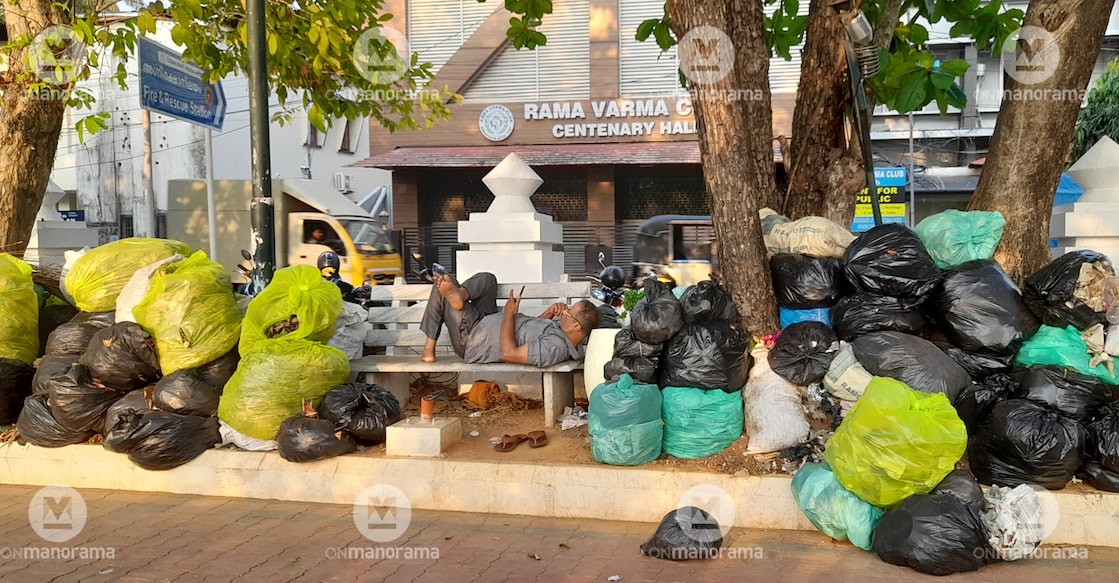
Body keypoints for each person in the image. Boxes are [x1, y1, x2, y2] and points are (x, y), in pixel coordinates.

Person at [419, 272, 601, 366]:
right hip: (486, 322)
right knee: (488, 279)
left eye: (569, 311)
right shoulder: (560, 333)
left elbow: (509, 353)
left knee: (442, 283)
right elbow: (527, 333)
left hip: (473, 339)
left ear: (576, 326)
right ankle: (460, 294)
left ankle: (429, 349)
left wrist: (509, 314)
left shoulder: (555, 348)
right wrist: (548, 314)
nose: (565, 310)